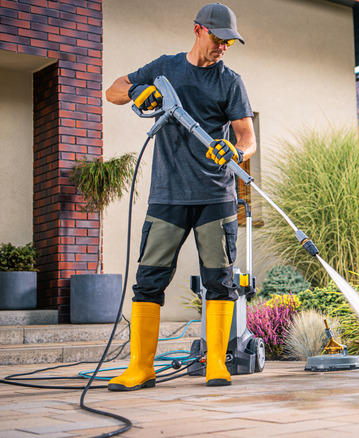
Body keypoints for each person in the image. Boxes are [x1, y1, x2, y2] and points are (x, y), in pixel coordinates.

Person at [105, 2, 256, 390]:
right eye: (219, 39)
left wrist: (237, 153)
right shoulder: (165, 68)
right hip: (168, 195)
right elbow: (113, 91)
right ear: (198, 30)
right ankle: (141, 367)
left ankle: (217, 364)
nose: (224, 46)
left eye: (230, 42)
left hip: (215, 195)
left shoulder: (230, 82)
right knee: (149, 280)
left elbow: (247, 138)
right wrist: (139, 90)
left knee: (220, 281)